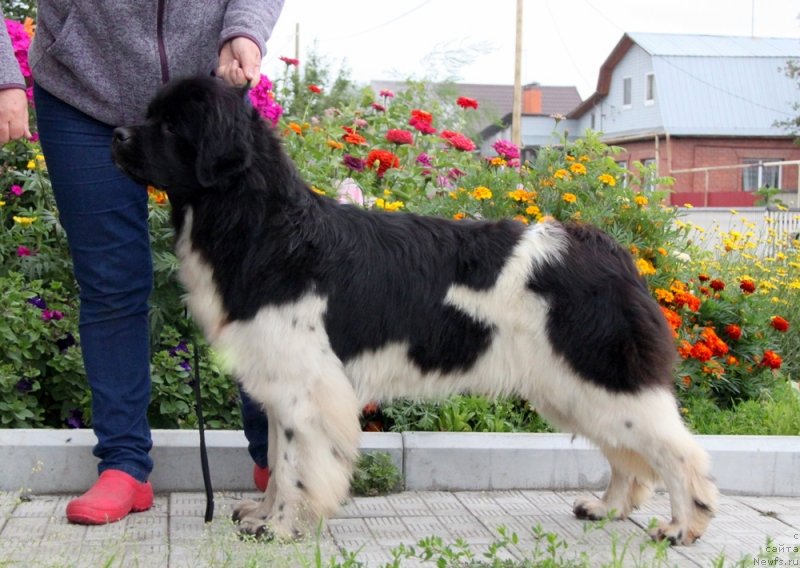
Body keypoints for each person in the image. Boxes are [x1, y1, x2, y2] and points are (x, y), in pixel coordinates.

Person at [0, 2, 284, 524]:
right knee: (111, 284)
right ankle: (124, 466)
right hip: (81, 93)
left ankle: (277, 459)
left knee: (253, 281)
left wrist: (244, 31)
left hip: (205, 99)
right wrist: (3, 73)